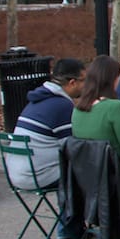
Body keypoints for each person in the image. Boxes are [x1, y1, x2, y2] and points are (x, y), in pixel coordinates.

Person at [9, 57, 84, 190]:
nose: (86, 85)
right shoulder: (61, 105)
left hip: (18, 175)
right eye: (84, 80)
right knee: (94, 169)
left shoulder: (37, 100)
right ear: (72, 82)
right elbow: (72, 147)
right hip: (39, 176)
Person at [70, 56, 120, 194]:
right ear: (112, 79)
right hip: (119, 175)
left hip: (89, 176)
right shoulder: (115, 107)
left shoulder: (77, 109)